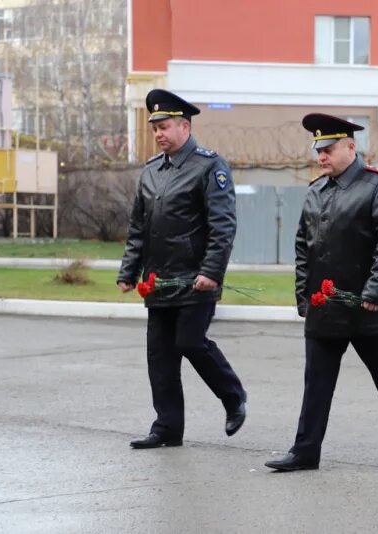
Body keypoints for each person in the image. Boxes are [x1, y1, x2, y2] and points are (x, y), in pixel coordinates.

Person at [264, 113, 378, 471]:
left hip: (367, 305)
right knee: (317, 380)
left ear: (351, 147)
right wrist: (303, 295)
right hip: (326, 305)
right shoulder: (316, 190)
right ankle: (305, 451)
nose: (322, 156)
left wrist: (376, 292)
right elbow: (304, 247)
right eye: (318, 150)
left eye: (329, 149)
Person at [118, 89, 247, 449]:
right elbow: (138, 228)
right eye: (155, 127)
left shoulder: (209, 166)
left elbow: (223, 226)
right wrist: (129, 272)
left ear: (185, 126)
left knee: (190, 342)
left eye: (164, 126)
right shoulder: (151, 170)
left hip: (196, 279)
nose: (158, 133)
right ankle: (167, 428)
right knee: (160, 356)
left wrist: (211, 272)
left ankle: (233, 395)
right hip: (159, 280)